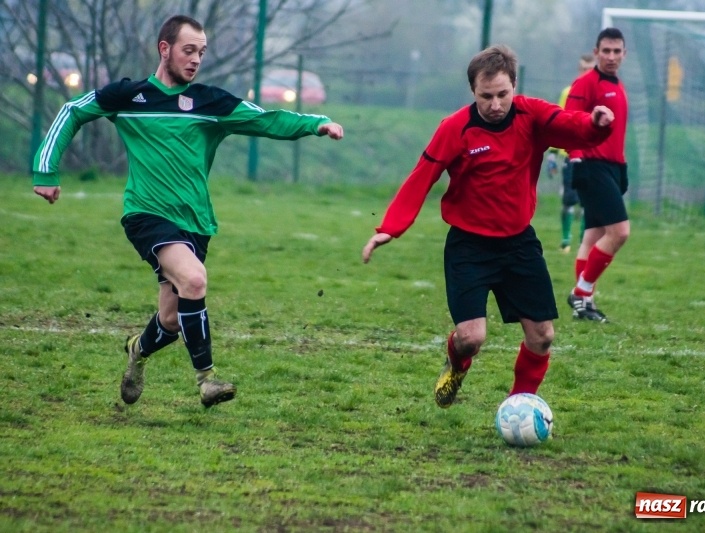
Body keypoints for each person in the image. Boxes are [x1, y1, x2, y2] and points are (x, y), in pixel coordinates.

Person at [32, 15, 344, 407]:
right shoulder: (130, 96)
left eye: (201, 52)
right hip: (146, 214)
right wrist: (46, 169)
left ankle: (137, 351)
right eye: (189, 50)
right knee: (194, 281)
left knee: (170, 319)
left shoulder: (210, 102)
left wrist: (317, 124)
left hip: (195, 221)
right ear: (165, 49)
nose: (196, 59)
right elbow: (72, 110)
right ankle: (206, 380)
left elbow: (267, 120)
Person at [361, 45, 614, 409]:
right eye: (486, 96)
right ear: (473, 91)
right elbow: (423, 175)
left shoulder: (531, 114)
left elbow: (571, 127)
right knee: (471, 338)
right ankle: (456, 364)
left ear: (514, 85)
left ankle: (520, 405)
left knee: (542, 336)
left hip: (518, 244)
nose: (495, 104)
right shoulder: (455, 128)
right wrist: (391, 227)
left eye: (502, 94)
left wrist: (595, 123)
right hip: (469, 247)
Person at [564, 28, 629, 324]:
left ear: (624, 54)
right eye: (606, 51)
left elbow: (617, 135)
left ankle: (584, 304)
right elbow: (569, 122)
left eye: (617, 51)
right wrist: (576, 159)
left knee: (594, 235)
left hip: (611, 168)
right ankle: (581, 292)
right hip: (592, 165)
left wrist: (622, 167)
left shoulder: (618, 85)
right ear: (596, 52)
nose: (611, 56)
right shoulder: (586, 83)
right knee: (619, 232)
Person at [547, 53, 596, 253]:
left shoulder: (599, 95)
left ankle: (584, 241)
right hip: (571, 155)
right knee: (569, 198)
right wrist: (552, 153)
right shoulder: (568, 92)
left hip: (592, 156)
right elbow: (559, 122)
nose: (586, 73)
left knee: (588, 201)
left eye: (589, 69)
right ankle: (565, 240)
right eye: (583, 69)